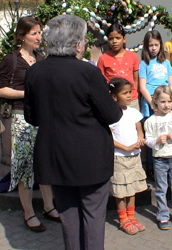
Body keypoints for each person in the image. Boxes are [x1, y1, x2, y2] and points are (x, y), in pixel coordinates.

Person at [24, 15, 122, 249]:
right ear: (78, 44)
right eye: (84, 41)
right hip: (91, 159)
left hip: (54, 158)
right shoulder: (87, 72)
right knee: (93, 218)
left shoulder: (35, 72)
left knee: (69, 219)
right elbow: (112, 115)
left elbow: (31, 117)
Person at [0, 16, 59, 233]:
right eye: (34, 33)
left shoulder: (42, 59)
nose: (39, 37)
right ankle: (29, 212)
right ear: (22, 36)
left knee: (45, 164)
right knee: (25, 167)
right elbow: (0, 89)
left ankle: (49, 207)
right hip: (21, 116)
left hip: (43, 118)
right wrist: (27, 93)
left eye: (40, 32)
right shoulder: (11, 59)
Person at [144, 85, 172, 230]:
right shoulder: (150, 120)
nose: (166, 105)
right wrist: (157, 141)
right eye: (162, 102)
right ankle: (163, 215)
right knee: (161, 189)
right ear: (155, 101)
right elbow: (148, 140)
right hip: (159, 159)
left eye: (169, 101)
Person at [108, 77, 148, 235]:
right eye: (125, 93)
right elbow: (108, 138)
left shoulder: (134, 112)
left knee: (132, 188)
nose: (129, 96)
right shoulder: (111, 115)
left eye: (130, 92)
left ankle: (132, 217)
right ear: (114, 97)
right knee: (121, 190)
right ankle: (123, 219)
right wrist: (125, 147)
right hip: (119, 158)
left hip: (134, 157)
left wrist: (140, 139)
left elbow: (139, 129)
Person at [97, 24, 140, 110]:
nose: (114, 41)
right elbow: (101, 82)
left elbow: (136, 80)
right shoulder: (103, 59)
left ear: (124, 39)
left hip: (131, 100)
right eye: (111, 39)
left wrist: (134, 94)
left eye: (118, 38)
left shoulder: (132, 56)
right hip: (113, 101)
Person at [139, 30, 172, 119]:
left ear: (160, 45)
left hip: (165, 98)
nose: (154, 48)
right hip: (151, 99)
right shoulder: (144, 63)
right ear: (146, 46)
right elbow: (142, 87)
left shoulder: (166, 62)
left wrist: (170, 99)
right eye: (151, 45)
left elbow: (171, 83)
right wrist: (152, 103)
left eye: (156, 45)